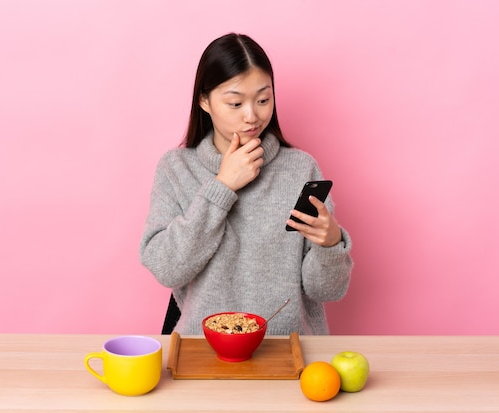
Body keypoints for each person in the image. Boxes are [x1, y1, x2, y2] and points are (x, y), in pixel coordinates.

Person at [139, 33, 353, 336]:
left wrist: (331, 243)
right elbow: (167, 267)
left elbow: (326, 291)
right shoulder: (176, 169)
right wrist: (223, 186)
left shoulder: (300, 169)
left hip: (289, 355)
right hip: (204, 353)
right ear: (204, 100)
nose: (252, 116)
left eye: (263, 100)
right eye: (235, 103)